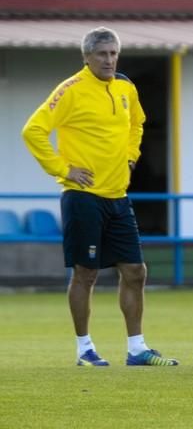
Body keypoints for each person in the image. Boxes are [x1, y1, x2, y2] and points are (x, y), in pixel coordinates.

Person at [22, 27, 178, 367]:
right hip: (82, 197)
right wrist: (63, 169)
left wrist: (132, 155)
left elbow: (137, 123)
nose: (109, 60)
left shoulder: (125, 87)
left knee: (136, 270)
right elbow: (32, 130)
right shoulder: (71, 90)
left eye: (113, 54)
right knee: (85, 273)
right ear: (87, 57)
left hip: (118, 197)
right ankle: (84, 350)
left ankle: (137, 349)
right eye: (102, 54)